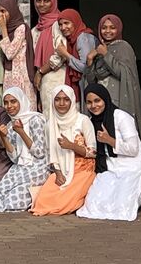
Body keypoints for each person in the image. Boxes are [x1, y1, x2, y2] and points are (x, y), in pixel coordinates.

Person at [77, 83, 141, 221]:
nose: (93, 106)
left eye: (97, 101)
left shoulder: (121, 117)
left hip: (130, 165)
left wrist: (109, 140)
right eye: (89, 102)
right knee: (94, 204)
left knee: (123, 206)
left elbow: (133, 149)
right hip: (110, 166)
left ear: (105, 100)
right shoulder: (92, 121)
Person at [31, 85, 96, 216]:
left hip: (82, 170)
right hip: (61, 170)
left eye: (66, 99)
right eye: (57, 99)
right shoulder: (50, 124)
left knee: (65, 203)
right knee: (43, 201)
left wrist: (72, 146)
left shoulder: (83, 120)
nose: (61, 103)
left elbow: (93, 152)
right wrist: (58, 173)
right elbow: (51, 153)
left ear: (72, 101)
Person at [0, 87, 49, 212]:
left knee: (13, 202)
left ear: (21, 101)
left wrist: (21, 132)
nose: (9, 106)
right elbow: (14, 158)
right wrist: (3, 136)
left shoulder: (36, 120)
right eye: (6, 103)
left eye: (13, 101)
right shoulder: (10, 125)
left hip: (38, 167)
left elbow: (40, 153)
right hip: (20, 167)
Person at [84, 14, 141, 146]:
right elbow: (91, 81)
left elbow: (122, 73)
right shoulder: (98, 49)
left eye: (112, 27)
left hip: (118, 99)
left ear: (118, 29)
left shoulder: (124, 47)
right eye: (104, 28)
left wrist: (105, 54)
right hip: (100, 102)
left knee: (119, 135)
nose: (107, 31)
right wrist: (89, 61)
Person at [0, 0, 38, 111]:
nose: (0, 15)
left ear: (12, 10)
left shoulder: (21, 28)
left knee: (24, 109)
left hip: (21, 76)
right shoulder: (8, 30)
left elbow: (9, 53)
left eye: (3, 11)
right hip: (10, 75)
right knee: (11, 110)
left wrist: (3, 28)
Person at [32, 0, 66, 118]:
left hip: (58, 78)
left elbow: (61, 54)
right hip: (43, 84)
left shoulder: (59, 24)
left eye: (46, 1)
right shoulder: (36, 30)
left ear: (53, 2)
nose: (41, 4)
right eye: (38, 1)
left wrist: (40, 72)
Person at [57, 8, 96, 103]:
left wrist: (65, 54)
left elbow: (85, 67)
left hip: (90, 83)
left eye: (67, 23)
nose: (63, 27)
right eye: (60, 24)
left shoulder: (83, 38)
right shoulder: (74, 39)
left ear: (75, 22)